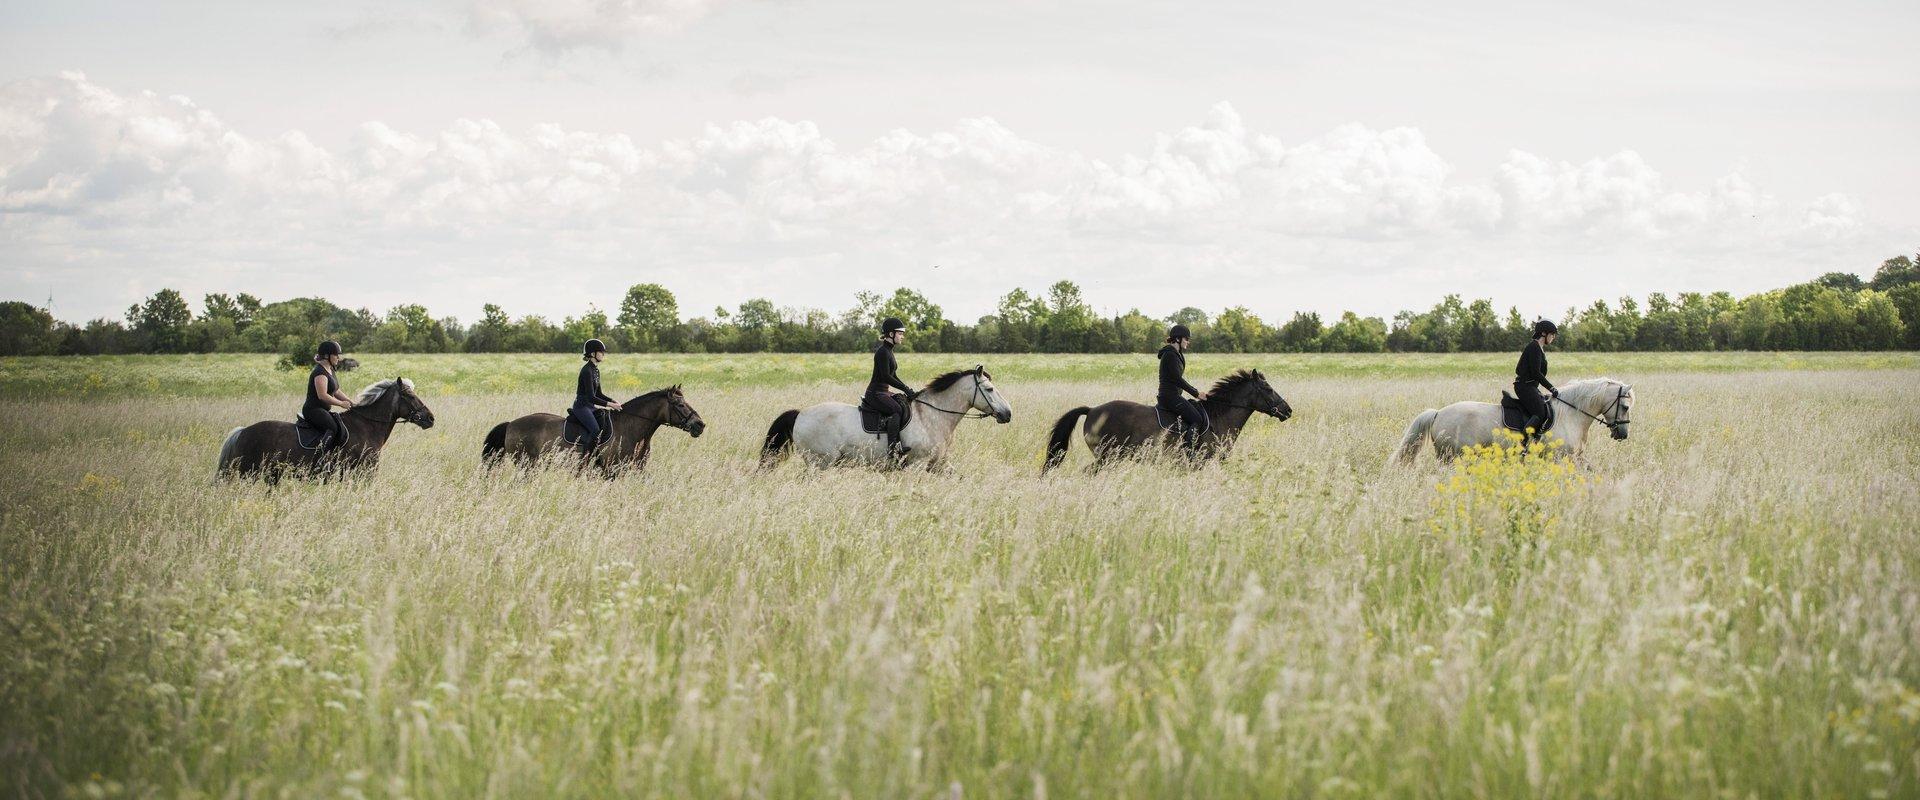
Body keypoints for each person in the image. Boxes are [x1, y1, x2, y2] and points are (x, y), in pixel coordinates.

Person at [865, 317, 912, 457]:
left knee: (903, 403)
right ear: (891, 334)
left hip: (883, 392)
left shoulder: (889, 351)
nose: (902, 336)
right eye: (900, 333)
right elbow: (886, 376)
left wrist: (907, 388)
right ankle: (893, 449)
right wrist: (904, 388)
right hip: (875, 393)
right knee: (896, 409)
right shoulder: (882, 352)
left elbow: (893, 375)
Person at [1157, 324, 1206, 455]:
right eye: (1186, 339)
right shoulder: (1170, 355)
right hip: (1169, 397)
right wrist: (1196, 393)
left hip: (1174, 396)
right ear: (1178, 339)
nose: (1188, 342)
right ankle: (1189, 451)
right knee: (1197, 419)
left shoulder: (1177, 354)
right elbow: (1177, 379)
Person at [572, 339, 623, 451]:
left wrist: (613, 401)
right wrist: (610, 405)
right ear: (592, 354)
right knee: (595, 430)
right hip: (582, 407)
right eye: (601, 352)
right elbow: (591, 397)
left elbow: (598, 394)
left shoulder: (595, 370)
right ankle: (586, 458)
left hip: (590, 407)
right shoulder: (586, 371)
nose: (603, 354)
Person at [303, 340, 354, 453]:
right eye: (336, 355)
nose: (338, 358)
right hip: (313, 410)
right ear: (327, 356)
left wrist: (350, 401)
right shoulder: (320, 372)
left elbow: (335, 390)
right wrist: (341, 404)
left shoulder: (330, 370)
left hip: (322, 410)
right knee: (333, 428)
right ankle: (320, 457)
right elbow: (323, 395)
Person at [1515, 319, 1559, 448]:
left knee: (1546, 409)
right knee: (1540, 413)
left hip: (1530, 387)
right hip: (1524, 387)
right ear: (1544, 334)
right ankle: (1522, 445)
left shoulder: (1539, 348)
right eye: (1552, 334)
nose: (1554, 337)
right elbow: (1536, 373)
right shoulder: (1534, 347)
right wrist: (1551, 388)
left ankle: (1535, 440)